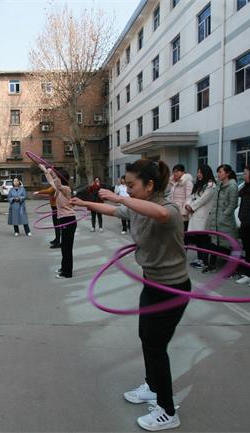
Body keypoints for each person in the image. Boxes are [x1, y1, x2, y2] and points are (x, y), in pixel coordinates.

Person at [70, 159, 190, 431]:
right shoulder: (137, 207)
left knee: (156, 347)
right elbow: (114, 211)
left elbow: (159, 214)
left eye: (131, 185)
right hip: (152, 283)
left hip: (172, 288)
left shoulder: (169, 209)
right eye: (125, 184)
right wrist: (84, 203)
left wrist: (119, 197)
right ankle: (152, 386)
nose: (127, 189)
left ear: (149, 185)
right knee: (146, 338)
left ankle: (167, 410)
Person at [40, 165, 76, 279]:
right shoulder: (59, 190)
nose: (56, 181)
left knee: (67, 248)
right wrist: (45, 170)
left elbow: (57, 183)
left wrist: (53, 172)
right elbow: (52, 182)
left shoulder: (66, 189)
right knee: (64, 246)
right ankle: (64, 268)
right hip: (64, 219)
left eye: (58, 178)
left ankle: (67, 272)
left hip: (69, 220)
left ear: (61, 178)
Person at [202, 164, 239, 274]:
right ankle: (212, 265)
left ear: (228, 173)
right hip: (215, 220)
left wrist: (224, 215)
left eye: (220, 172)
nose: (218, 174)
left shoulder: (232, 186)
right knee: (214, 243)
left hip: (225, 222)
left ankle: (231, 270)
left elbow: (233, 204)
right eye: (218, 172)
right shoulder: (218, 184)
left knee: (228, 245)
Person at [185, 165, 216, 270]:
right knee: (198, 239)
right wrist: (188, 204)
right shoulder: (199, 184)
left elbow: (203, 199)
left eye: (200, 172)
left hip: (203, 216)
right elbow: (191, 196)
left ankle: (204, 260)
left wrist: (191, 207)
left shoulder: (211, 186)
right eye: (198, 172)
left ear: (206, 173)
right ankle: (200, 258)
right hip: (195, 214)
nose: (198, 174)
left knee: (204, 239)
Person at [34, 183, 60, 248]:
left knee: (57, 225)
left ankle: (58, 242)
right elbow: (49, 192)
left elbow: (49, 191)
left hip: (56, 208)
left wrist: (39, 192)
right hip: (54, 208)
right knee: (56, 225)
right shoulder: (54, 185)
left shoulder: (55, 186)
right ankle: (57, 239)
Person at [168, 164, 193, 231]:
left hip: (182, 213)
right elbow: (171, 197)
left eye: (177, 171)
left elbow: (189, 197)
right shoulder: (173, 182)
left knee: (182, 232)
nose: (175, 173)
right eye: (173, 171)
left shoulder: (187, 182)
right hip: (173, 211)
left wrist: (184, 212)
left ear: (182, 172)